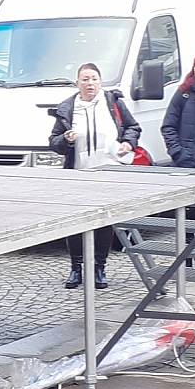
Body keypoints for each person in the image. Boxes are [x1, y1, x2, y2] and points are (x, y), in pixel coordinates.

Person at [48, 63, 141, 289]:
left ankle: (99, 267)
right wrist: (66, 140)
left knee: (104, 222)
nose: (90, 84)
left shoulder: (113, 102)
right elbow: (54, 141)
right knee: (75, 222)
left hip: (108, 171)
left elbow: (133, 127)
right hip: (79, 172)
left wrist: (128, 143)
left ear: (100, 81)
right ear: (77, 83)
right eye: (85, 80)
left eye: (94, 79)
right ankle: (76, 268)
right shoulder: (67, 108)